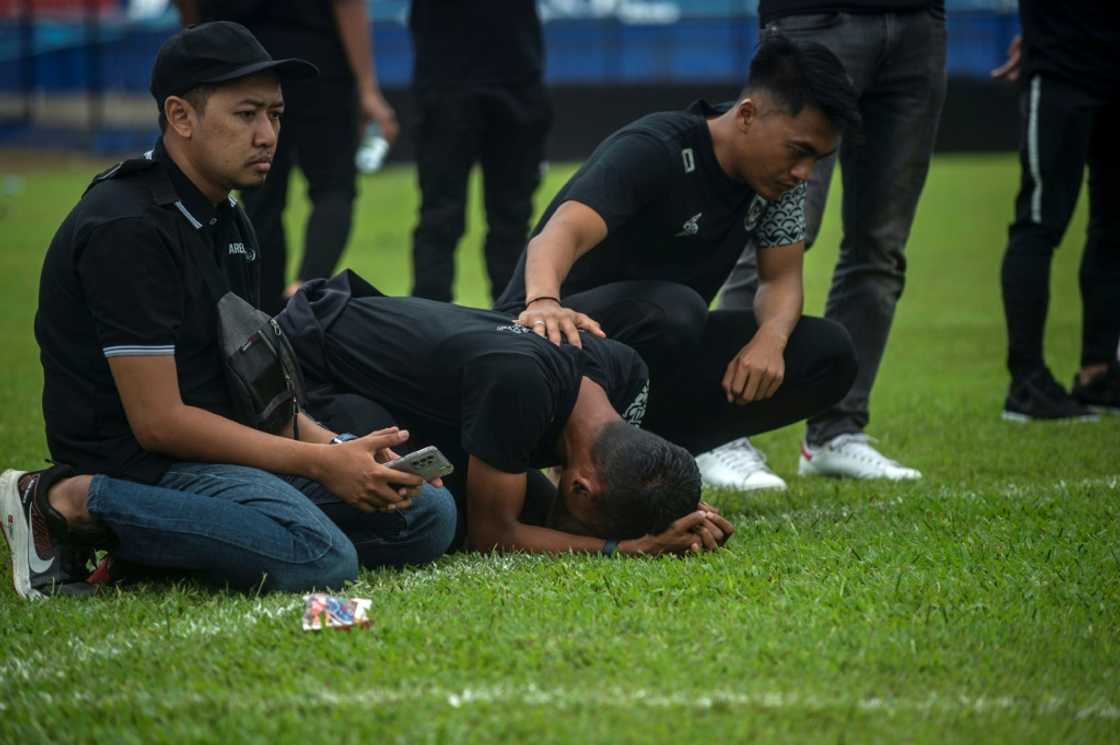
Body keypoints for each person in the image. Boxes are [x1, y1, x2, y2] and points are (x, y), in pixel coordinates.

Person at [0, 22, 454, 600]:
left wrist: (342, 451)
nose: (267, 135)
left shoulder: (228, 219)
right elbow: (159, 422)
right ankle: (60, 499)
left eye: (276, 115)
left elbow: (257, 394)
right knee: (319, 560)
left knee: (428, 513)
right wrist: (318, 466)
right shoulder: (127, 227)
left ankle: (179, 549)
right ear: (181, 117)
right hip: (140, 462)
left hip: (221, 450)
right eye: (246, 115)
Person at [493, 34, 859, 493]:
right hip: (544, 343)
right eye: (798, 151)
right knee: (676, 311)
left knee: (828, 353)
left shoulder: (778, 184)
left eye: (817, 159)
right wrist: (544, 301)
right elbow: (560, 232)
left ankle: (645, 454)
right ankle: (572, 453)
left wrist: (771, 337)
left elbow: (782, 279)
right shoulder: (657, 147)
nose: (804, 172)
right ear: (746, 115)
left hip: (656, 348)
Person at [279, 271, 733, 556]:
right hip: (309, 366)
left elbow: (640, 471)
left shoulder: (626, 372)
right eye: (585, 511)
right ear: (579, 485)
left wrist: (673, 502)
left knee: (530, 509)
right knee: (436, 513)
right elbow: (493, 535)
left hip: (404, 381)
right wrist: (629, 546)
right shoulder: (520, 388)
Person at [718, 2, 946, 480]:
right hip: (817, 16)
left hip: (919, 20)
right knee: (774, 232)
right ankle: (719, 433)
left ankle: (836, 432)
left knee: (880, 245)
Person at [178, 0, 400, 314]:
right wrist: (367, 87)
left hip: (240, 67)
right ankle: (303, 294)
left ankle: (268, 313)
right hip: (318, 65)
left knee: (260, 197)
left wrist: (198, 53)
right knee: (331, 189)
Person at [992, 0, 1119, 420]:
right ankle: (1026, 383)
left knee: (1112, 227)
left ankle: (1098, 373)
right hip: (1062, 66)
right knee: (1039, 224)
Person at [408, 0, 552, 303]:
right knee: (444, 217)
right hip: (457, 77)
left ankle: (514, 321)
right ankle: (429, 325)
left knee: (506, 219)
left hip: (504, 75)